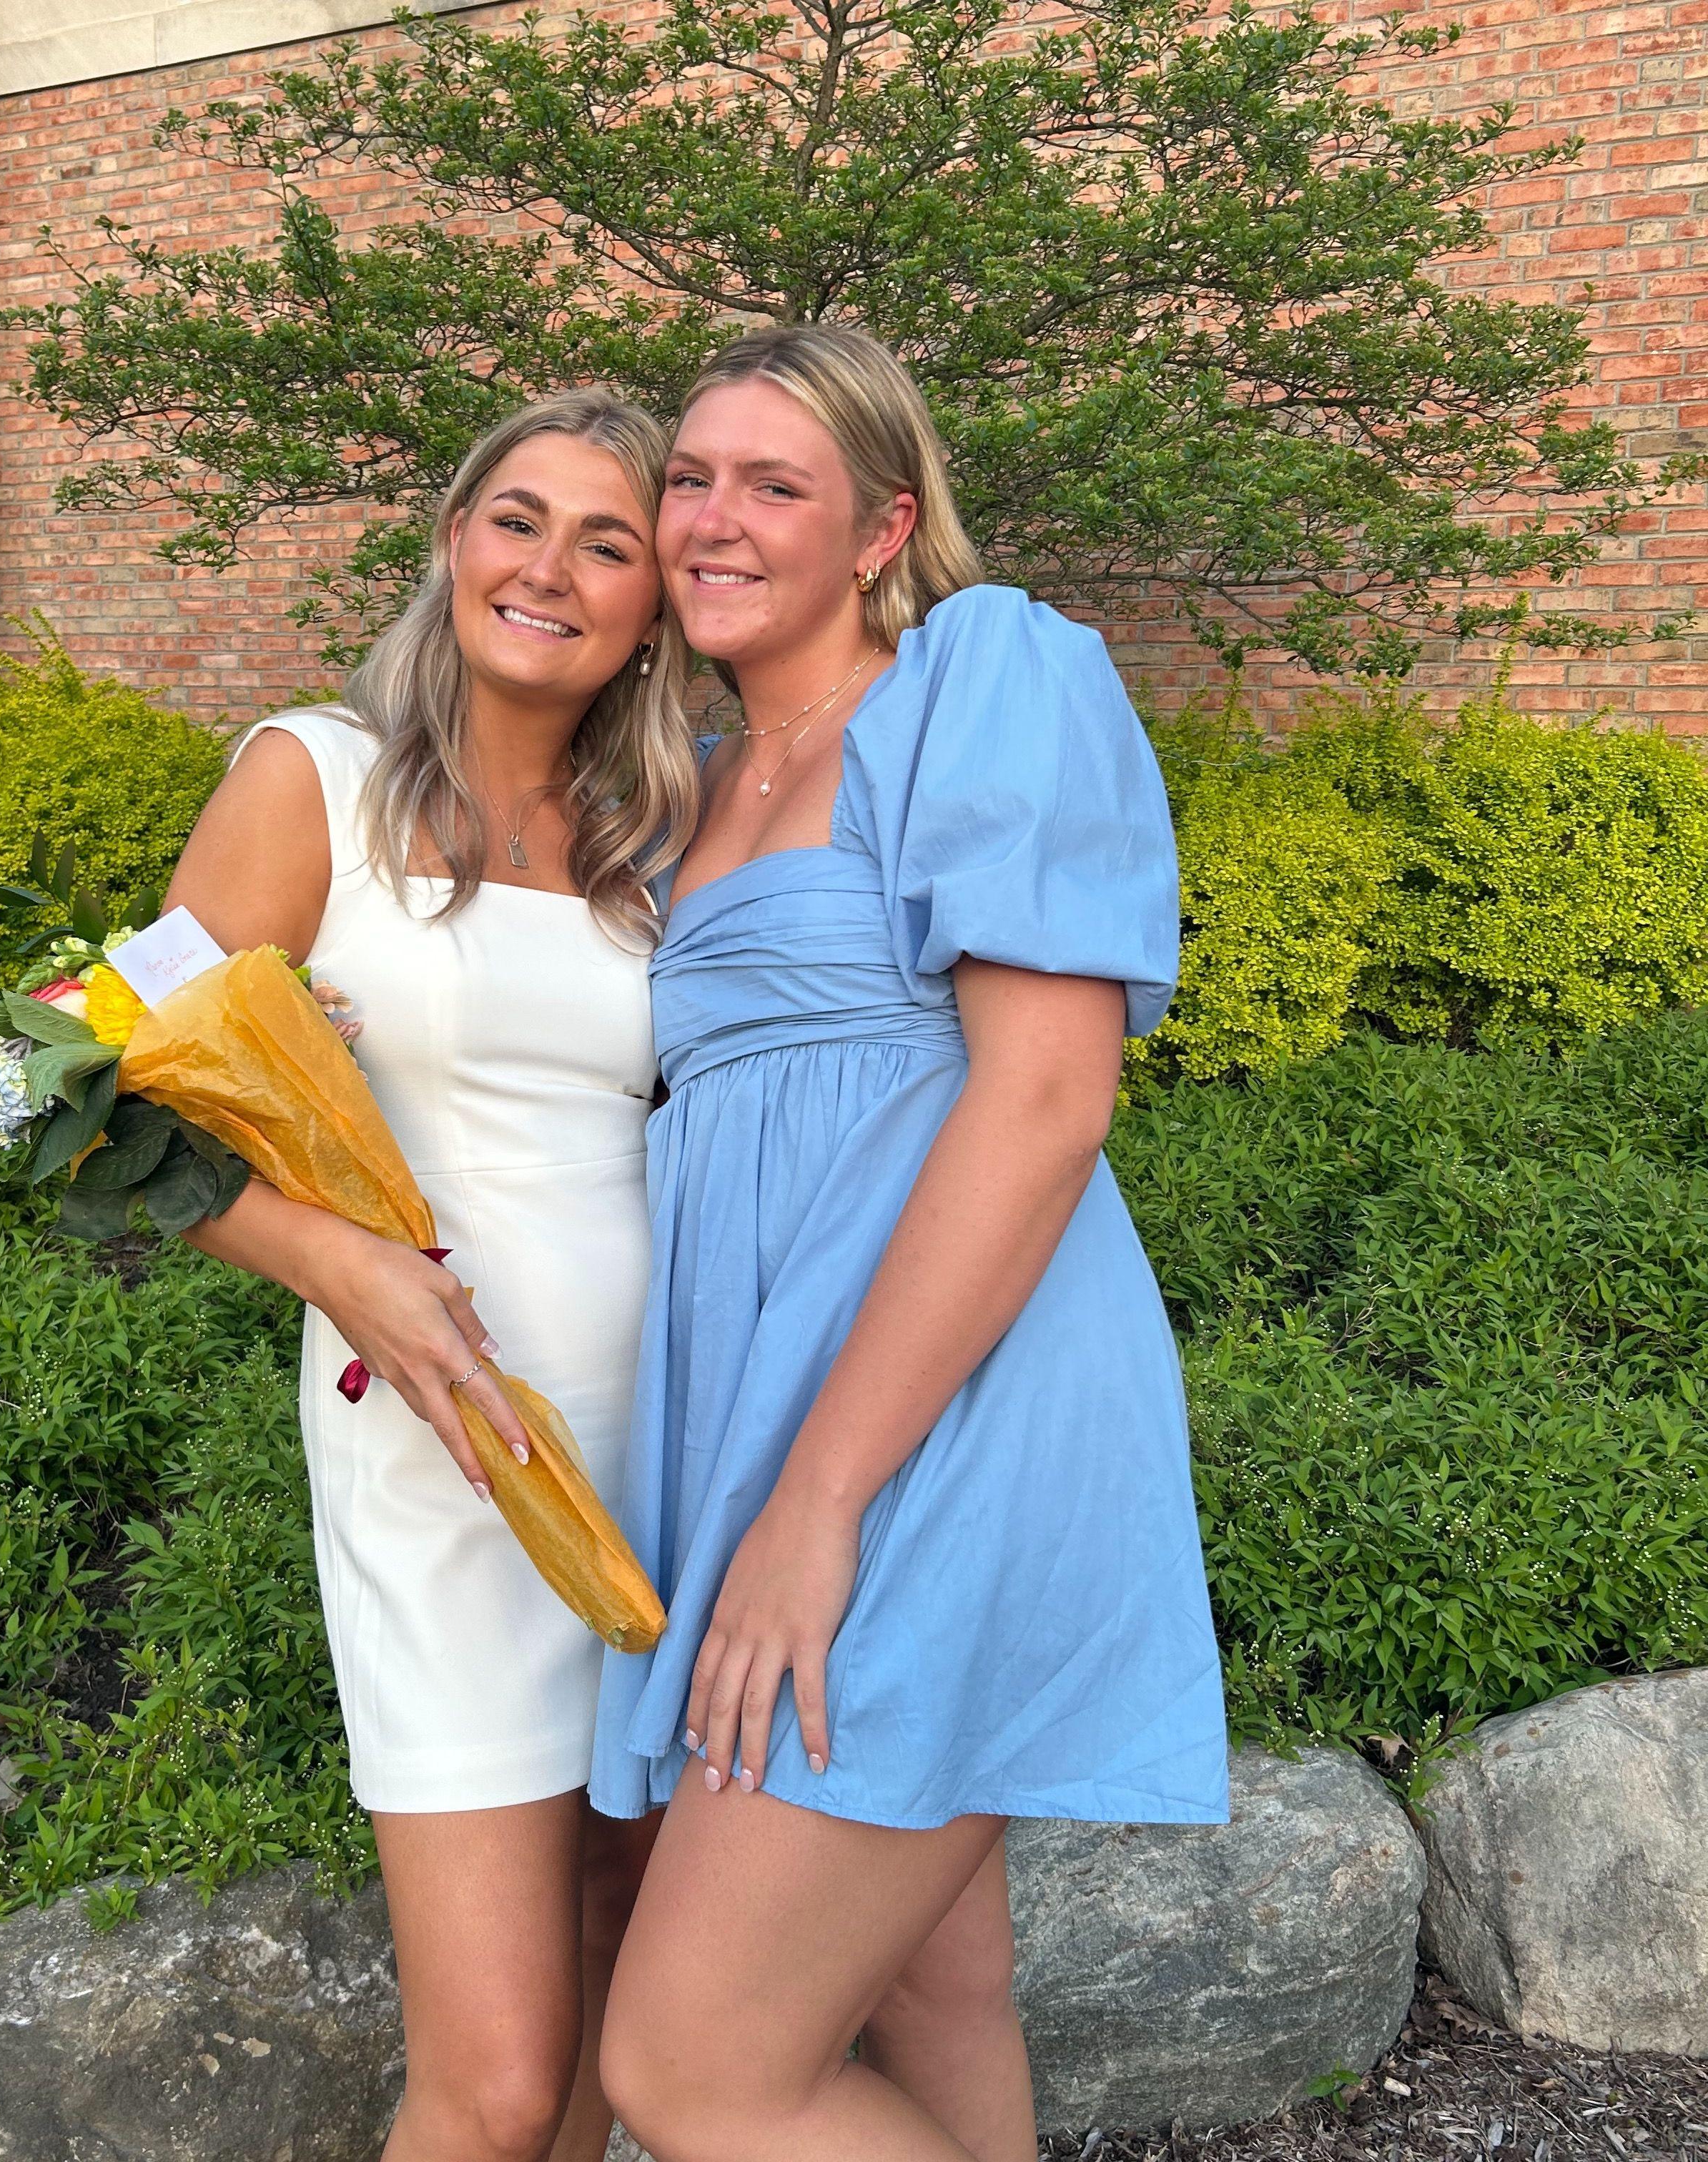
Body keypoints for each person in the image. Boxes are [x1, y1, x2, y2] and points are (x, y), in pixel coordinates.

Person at [591, 325, 1230, 2162]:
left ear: (882, 529)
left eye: (772, 485)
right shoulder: (689, 782)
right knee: (935, 1989)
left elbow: (1047, 1101)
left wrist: (818, 1504)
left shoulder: (980, 678)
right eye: (691, 479)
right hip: (770, 1403)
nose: (712, 519)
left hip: (948, 1412)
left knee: (697, 2067)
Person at [164, 388, 697, 2162]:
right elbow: (57, 1086)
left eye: (608, 543)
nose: (550, 568)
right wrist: (335, 1263)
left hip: (669, 1440)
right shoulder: (313, 775)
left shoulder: (660, 834)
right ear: (455, 538)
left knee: (623, 1974)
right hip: (440, 1448)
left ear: (654, 605)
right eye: (518, 519)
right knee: (496, 2078)